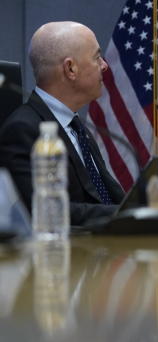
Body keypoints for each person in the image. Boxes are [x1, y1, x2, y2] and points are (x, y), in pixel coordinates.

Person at [0, 21, 123, 224]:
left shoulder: (77, 128)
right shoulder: (23, 130)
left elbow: (106, 196)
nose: (104, 65)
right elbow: (45, 211)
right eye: (96, 57)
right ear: (70, 68)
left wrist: (145, 210)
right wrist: (123, 216)